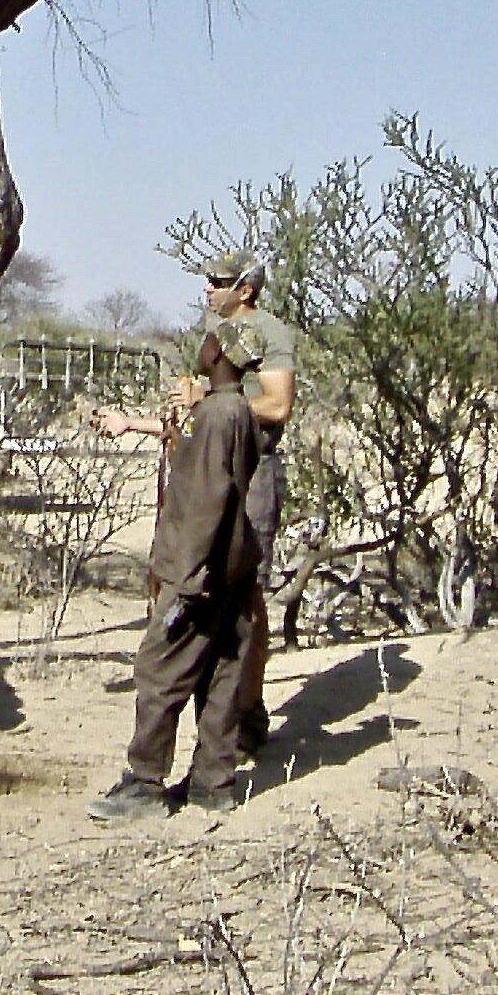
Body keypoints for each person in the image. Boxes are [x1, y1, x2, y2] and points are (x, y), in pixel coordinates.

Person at [92, 249, 297, 755]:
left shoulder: (269, 334)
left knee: (244, 593)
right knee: (189, 585)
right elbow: (193, 416)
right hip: (203, 475)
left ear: (246, 288)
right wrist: (134, 424)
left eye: (219, 280)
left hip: (251, 473)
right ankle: (213, 717)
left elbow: (276, 405)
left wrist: (209, 402)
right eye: (207, 279)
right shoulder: (212, 335)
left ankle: (246, 710)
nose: (208, 287)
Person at [86, 317, 265, 822]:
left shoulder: (217, 417)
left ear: (221, 354)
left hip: (200, 572)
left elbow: (210, 499)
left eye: (210, 340)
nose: (202, 345)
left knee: (159, 669)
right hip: (232, 568)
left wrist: (186, 580)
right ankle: (215, 782)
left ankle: (145, 782)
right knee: (221, 673)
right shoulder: (235, 412)